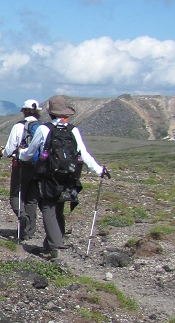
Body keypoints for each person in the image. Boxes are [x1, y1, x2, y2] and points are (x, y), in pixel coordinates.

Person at [20, 95, 106, 259]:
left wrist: (20, 154)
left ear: (50, 113)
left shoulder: (44, 129)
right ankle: (52, 241)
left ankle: (54, 246)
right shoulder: (73, 130)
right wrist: (99, 169)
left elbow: (30, 153)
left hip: (48, 176)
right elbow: (83, 153)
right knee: (59, 207)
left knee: (47, 207)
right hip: (69, 175)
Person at [1, 100, 43, 240]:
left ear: (24, 111)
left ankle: (22, 216)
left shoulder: (18, 126)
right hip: (38, 166)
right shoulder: (42, 127)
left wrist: (3, 153)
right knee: (31, 199)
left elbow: (9, 148)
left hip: (20, 165)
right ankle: (29, 231)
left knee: (15, 195)